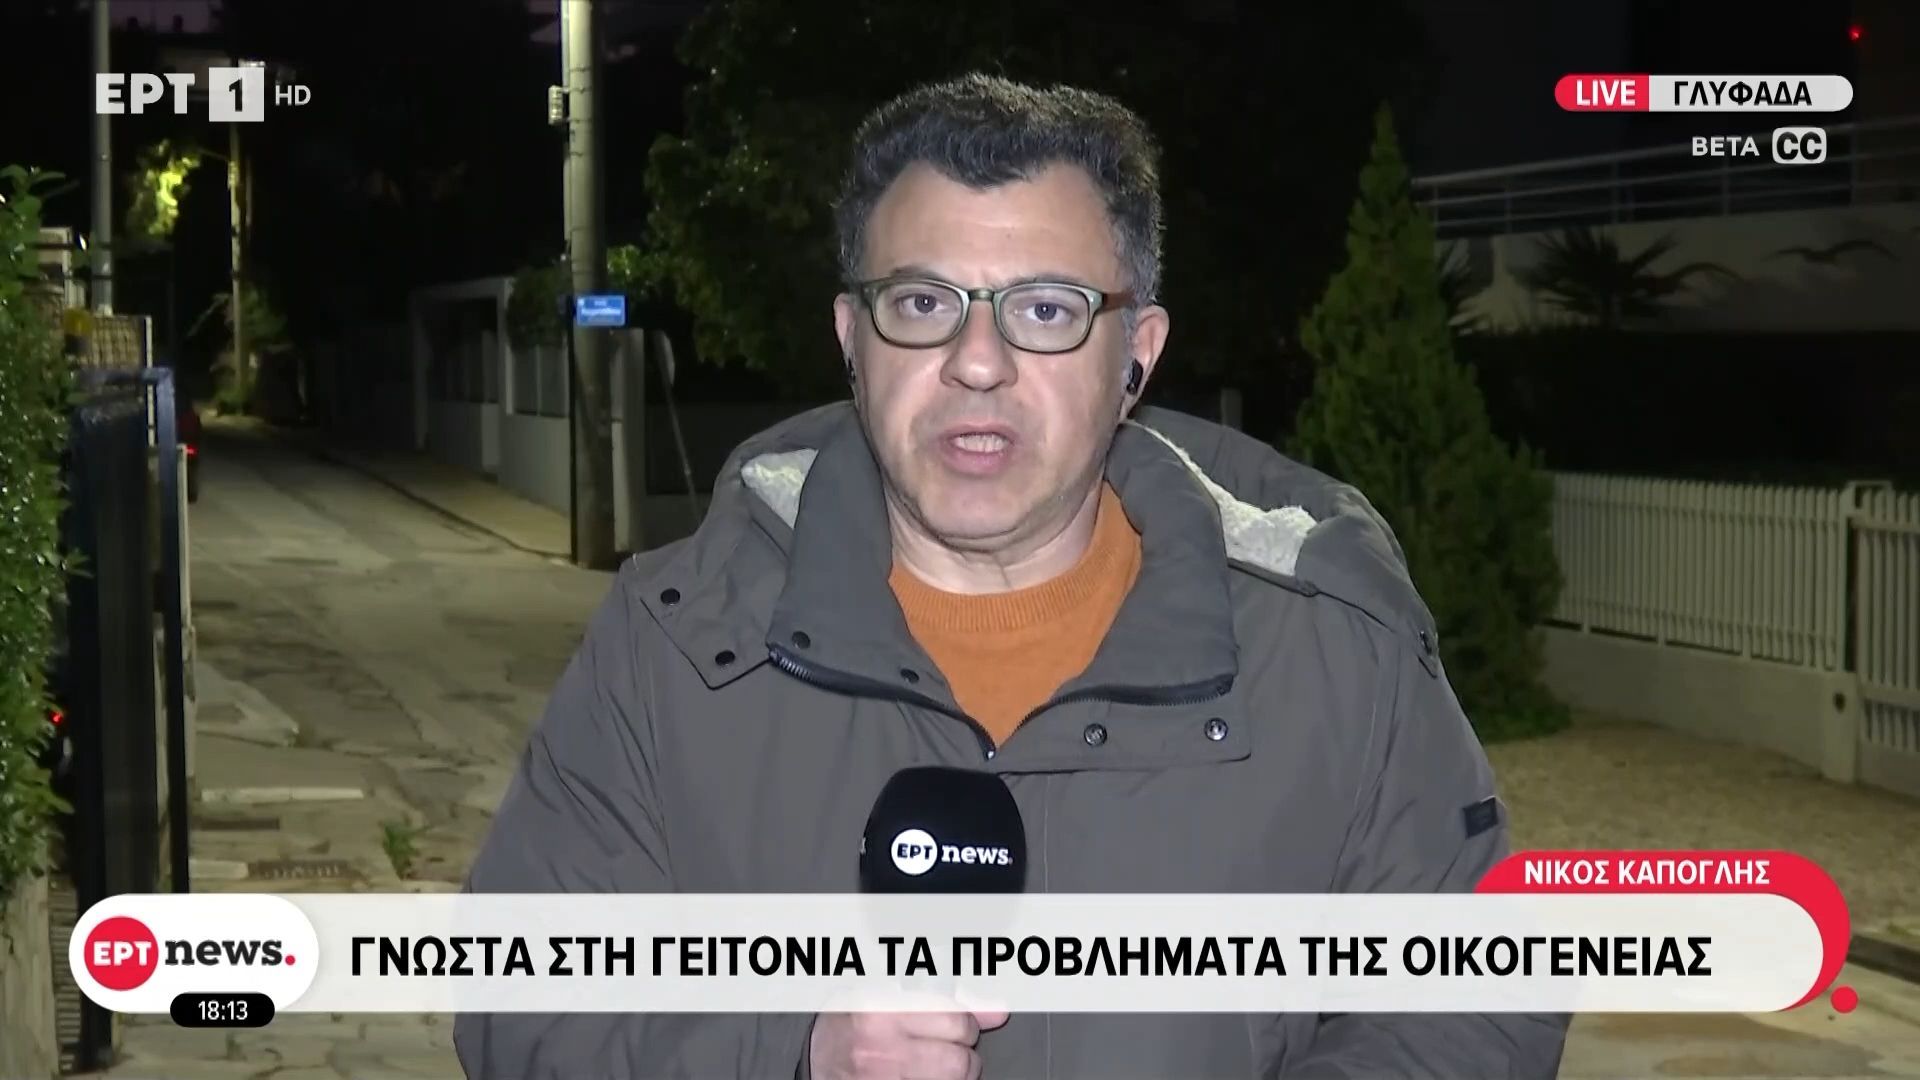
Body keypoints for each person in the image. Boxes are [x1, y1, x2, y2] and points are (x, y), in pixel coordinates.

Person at [455, 73, 1570, 1079]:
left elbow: (1475, 1000)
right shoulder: (673, 645)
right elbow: (520, 1005)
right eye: (923, 303)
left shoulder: (1334, 653)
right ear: (852, 339)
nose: (977, 363)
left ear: (1137, 355)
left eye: (1046, 310)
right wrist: (790, 1049)